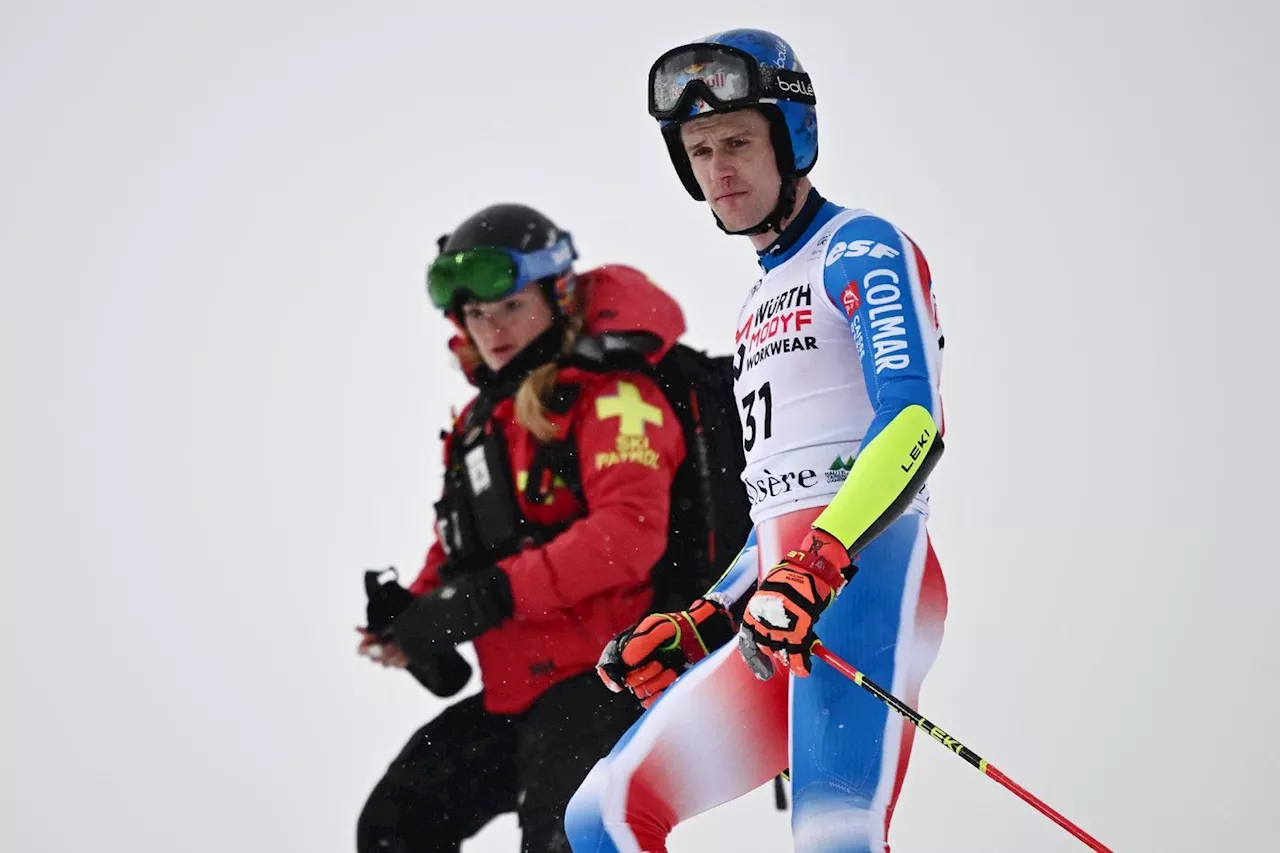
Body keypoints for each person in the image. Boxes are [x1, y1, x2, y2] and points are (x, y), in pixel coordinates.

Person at [566, 29, 949, 853]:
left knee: (832, 838)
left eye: (736, 141)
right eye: (699, 151)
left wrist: (820, 560)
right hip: (787, 598)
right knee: (604, 815)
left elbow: (913, 423)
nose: (718, 169)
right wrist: (707, 615)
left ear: (792, 136)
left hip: (869, 577)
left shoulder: (860, 244)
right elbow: (780, 496)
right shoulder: (754, 301)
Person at [355, 203, 692, 853]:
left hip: (607, 677)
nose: (492, 328)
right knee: (394, 825)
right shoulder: (483, 425)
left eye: (509, 306)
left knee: (565, 838)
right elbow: (457, 554)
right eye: (476, 315)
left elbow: (629, 534)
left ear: (557, 294)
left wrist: (493, 595)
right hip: (518, 693)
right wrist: (412, 616)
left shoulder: (614, 393)